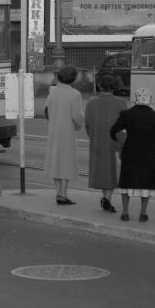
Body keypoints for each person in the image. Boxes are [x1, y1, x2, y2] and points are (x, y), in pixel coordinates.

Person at [110, 86, 155, 222]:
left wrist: (122, 142)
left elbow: (113, 130)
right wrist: (150, 145)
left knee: (126, 183)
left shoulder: (126, 114)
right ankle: (143, 213)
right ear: (149, 100)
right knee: (146, 184)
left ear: (135, 99)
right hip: (148, 154)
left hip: (130, 152)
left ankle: (125, 212)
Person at [85, 73, 126, 213]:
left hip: (97, 142)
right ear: (113, 87)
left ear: (100, 86)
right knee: (113, 172)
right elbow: (125, 126)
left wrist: (95, 137)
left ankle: (106, 197)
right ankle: (107, 198)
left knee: (102, 171)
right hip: (115, 142)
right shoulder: (121, 103)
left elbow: (88, 126)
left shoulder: (91, 103)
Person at [44, 64, 85, 205]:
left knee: (55, 161)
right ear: (73, 79)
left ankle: (58, 192)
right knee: (66, 162)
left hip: (54, 130)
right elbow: (77, 116)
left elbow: (48, 110)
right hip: (67, 131)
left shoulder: (52, 91)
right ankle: (64, 193)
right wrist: (79, 125)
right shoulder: (75, 95)